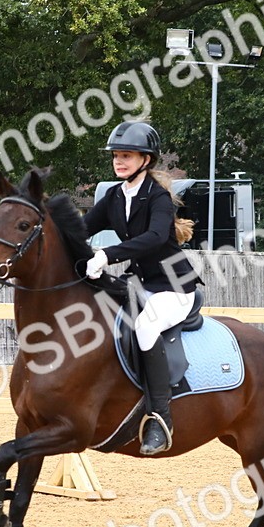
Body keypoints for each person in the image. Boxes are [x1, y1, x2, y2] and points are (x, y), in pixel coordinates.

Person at [83, 121, 200, 456]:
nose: (119, 161)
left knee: (146, 326)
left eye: (127, 156)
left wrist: (106, 254)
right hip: (140, 283)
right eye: (116, 156)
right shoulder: (114, 196)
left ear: (146, 160)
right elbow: (81, 228)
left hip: (173, 286)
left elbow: (154, 238)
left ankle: (161, 419)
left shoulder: (158, 197)